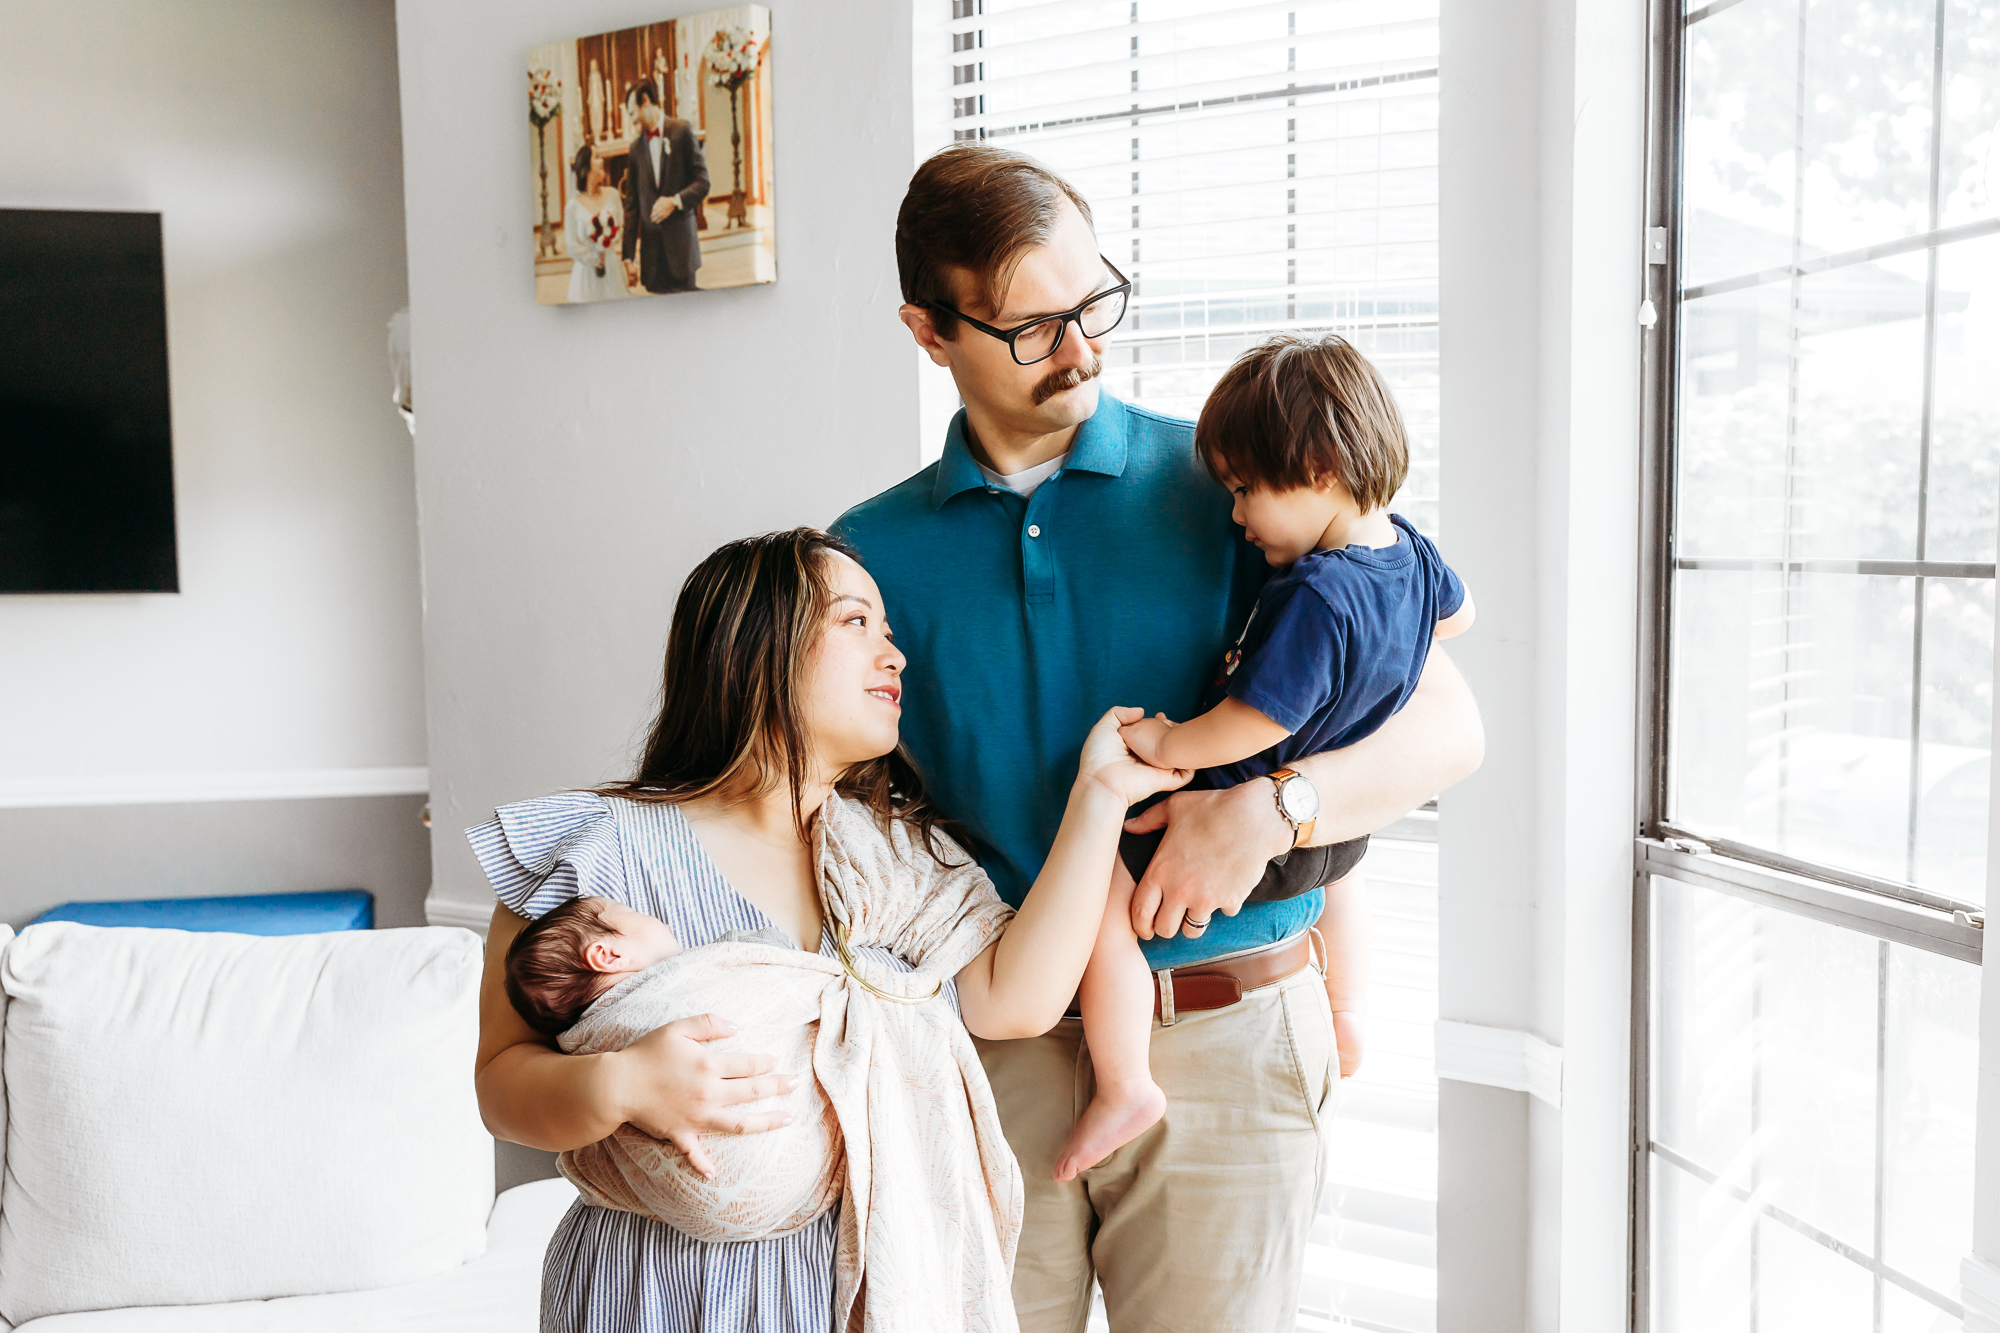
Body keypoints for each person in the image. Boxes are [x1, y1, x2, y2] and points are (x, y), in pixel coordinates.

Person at [831, 145, 1484, 1332]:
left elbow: (1447, 726)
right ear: (930, 333)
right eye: (1034, 327)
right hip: (988, 1056)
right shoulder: (863, 555)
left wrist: (1269, 807)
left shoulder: (1241, 478)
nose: (1082, 349)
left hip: (1230, 1035)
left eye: (1093, 304)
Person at [469, 527, 1190, 1333]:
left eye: (889, 632)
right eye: (857, 623)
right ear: (755, 645)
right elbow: (502, 1085)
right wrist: (620, 1084)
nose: (896, 656)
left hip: (844, 1291)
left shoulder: (895, 858)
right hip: (658, 1293)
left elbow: (1011, 999)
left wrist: (1098, 795)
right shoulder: (596, 854)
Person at [1052, 332, 1477, 1180]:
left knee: (1096, 882)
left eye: (1248, 490)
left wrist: (1171, 739)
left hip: (1236, 817)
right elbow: (1456, 621)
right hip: (1324, 828)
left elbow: (1252, 717)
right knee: (1340, 882)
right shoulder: (1414, 555)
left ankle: (1124, 1080)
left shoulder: (1319, 591)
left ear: (1320, 467)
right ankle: (1347, 1009)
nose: (1238, 516)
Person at [620, 81, 708, 295]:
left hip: (682, 249)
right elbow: (631, 208)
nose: (632, 121)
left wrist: (675, 201)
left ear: (646, 101)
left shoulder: (682, 131)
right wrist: (628, 257)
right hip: (652, 259)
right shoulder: (635, 150)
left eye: (633, 113)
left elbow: (703, 183)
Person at [563, 146, 630, 304]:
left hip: (612, 266)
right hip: (586, 273)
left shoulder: (613, 194)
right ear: (586, 167)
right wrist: (594, 258)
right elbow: (571, 246)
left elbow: (621, 228)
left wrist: (612, 245)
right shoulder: (572, 206)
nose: (602, 161)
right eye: (597, 157)